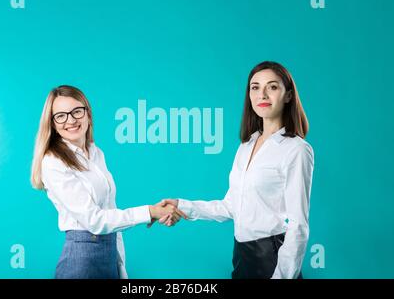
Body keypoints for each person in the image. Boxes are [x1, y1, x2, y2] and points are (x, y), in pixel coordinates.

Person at [155, 61, 314, 279]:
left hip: (273, 259)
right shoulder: (246, 146)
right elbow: (230, 206)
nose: (262, 95)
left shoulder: (297, 150)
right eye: (255, 87)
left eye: (273, 87)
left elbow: (298, 226)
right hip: (242, 256)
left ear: (288, 95)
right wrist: (181, 206)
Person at [30, 85, 186, 279]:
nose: (70, 120)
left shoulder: (96, 153)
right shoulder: (53, 162)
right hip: (81, 261)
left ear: (88, 114)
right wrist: (149, 212)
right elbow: (94, 221)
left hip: (108, 251)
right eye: (60, 115)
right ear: (52, 123)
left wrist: (120, 265)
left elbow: (109, 210)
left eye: (77, 111)